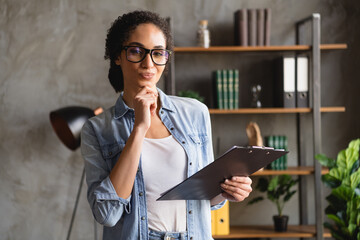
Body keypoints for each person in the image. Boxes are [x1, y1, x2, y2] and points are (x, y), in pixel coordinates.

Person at [81, 10, 252, 240]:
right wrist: (139, 128)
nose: (148, 63)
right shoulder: (97, 129)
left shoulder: (195, 113)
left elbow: (207, 202)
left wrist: (228, 191)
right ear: (117, 56)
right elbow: (107, 214)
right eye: (136, 51)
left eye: (158, 53)